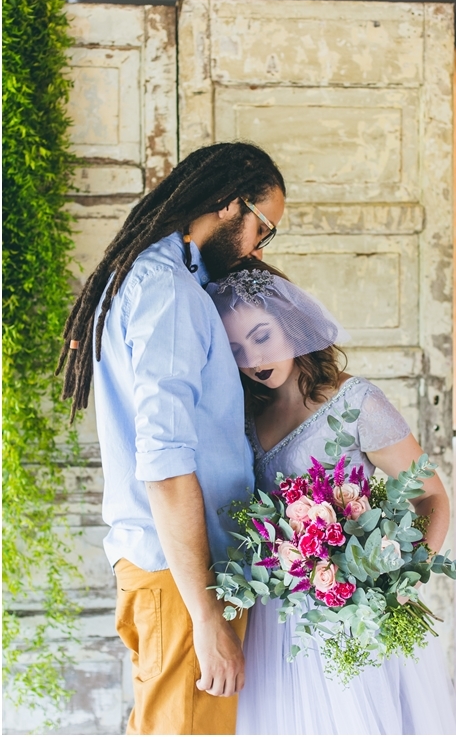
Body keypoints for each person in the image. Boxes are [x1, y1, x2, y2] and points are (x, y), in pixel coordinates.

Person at [56, 142, 287, 735]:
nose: (258, 249)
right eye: (263, 229)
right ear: (231, 206)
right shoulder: (169, 292)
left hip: (173, 575)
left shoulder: (149, 276)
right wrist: (206, 616)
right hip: (183, 581)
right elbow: (163, 464)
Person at [206, 260, 456, 735]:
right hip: (279, 623)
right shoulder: (245, 417)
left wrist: (399, 579)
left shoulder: (355, 402)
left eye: (262, 336)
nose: (254, 360)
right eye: (236, 348)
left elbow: (431, 496)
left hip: (353, 614)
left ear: (291, 324)